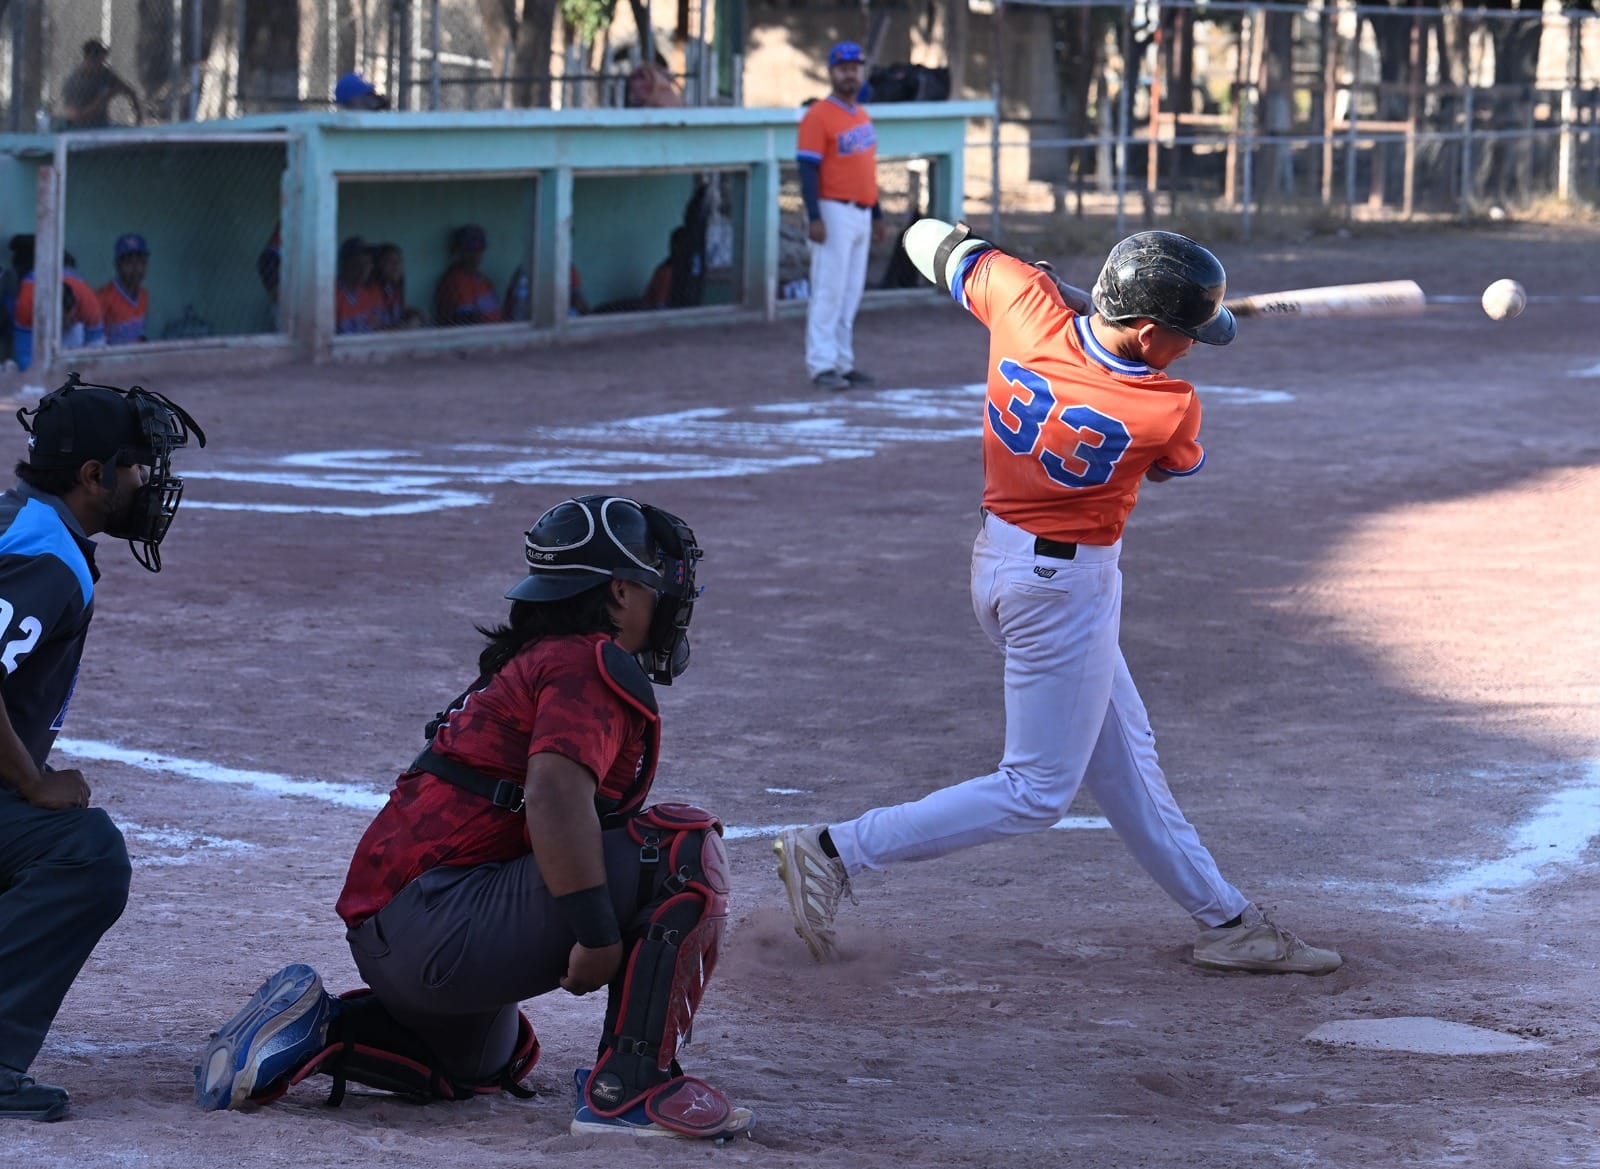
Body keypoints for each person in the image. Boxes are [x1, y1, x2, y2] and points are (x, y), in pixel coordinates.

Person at [773, 221, 1343, 977]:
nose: (1194, 347)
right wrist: (1086, 321)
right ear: (1145, 333)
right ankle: (836, 847)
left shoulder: (1021, 300)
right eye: (1186, 335)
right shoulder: (1167, 407)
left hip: (1001, 564)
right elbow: (1172, 468)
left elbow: (923, 237)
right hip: (1063, 594)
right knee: (1037, 791)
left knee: (1125, 761)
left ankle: (1227, 921)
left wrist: (1029, 283)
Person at [193, 495, 754, 1140]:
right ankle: (628, 1092)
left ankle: (317, 1030)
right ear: (621, 592)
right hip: (439, 924)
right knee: (682, 851)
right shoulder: (587, 663)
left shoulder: (543, 656)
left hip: (410, 933)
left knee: (486, 1058)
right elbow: (552, 798)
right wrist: (599, 938)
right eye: (657, 586)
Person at [0, 375, 206, 1121]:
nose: (146, 481)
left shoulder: (23, 523)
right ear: (92, 476)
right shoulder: (45, 557)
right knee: (83, 851)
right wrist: (30, 781)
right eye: (134, 465)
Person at [797, 41, 887, 392]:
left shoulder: (861, 115)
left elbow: (867, 171)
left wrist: (877, 214)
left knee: (850, 293)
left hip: (861, 211)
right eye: (843, 67)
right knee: (828, 290)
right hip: (832, 209)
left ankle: (842, 362)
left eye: (855, 66)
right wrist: (814, 216)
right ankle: (821, 364)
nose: (850, 73)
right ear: (832, 72)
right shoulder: (818, 115)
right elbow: (807, 169)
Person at [59, 40, 142, 130]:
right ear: (89, 59)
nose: (102, 65)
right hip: (80, 130)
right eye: (99, 61)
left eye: (103, 61)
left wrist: (138, 116)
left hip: (102, 126)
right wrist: (103, 99)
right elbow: (74, 117)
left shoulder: (105, 73)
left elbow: (128, 90)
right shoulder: (74, 83)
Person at [434, 224, 502, 326]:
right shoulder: (455, 281)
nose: (475, 255)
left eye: (479, 249)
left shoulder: (484, 281)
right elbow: (466, 323)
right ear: (458, 252)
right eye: (470, 250)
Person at [98, 233, 150, 345]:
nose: (136, 269)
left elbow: (139, 335)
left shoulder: (144, 296)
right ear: (117, 265)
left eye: (141, 262)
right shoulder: (103, 298)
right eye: (129, 262)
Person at [333, 236, 385, 335]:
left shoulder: (368, 293)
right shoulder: (331, 295)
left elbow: (376, 329)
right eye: (359, 262)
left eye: (368, 262)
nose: (366, 268)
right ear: (344, 264)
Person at [372, 243, 424, 328]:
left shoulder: (394, 286)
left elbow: (401, 308)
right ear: (378, 264)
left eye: (399, 261)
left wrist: (417, 315)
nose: (396, 265)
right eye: (390, 261)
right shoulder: (372, 290)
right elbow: (374, 329)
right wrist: (403, 328)